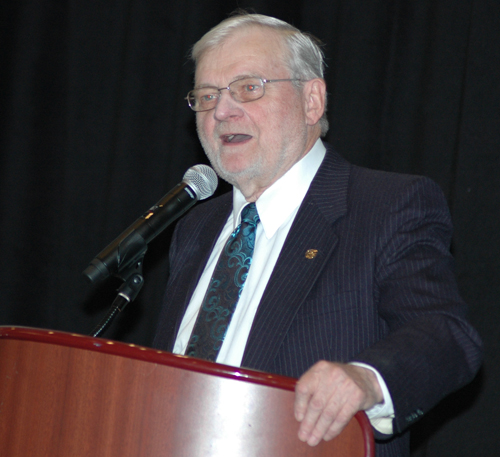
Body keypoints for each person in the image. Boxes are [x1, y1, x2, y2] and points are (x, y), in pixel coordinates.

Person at [153, 12, 482, 456]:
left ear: (312, 100)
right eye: (207, 96)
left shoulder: (385, 207)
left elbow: (446, 336)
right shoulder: (195, 228)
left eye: (248, 88)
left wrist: (366, 379)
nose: (222, 111)